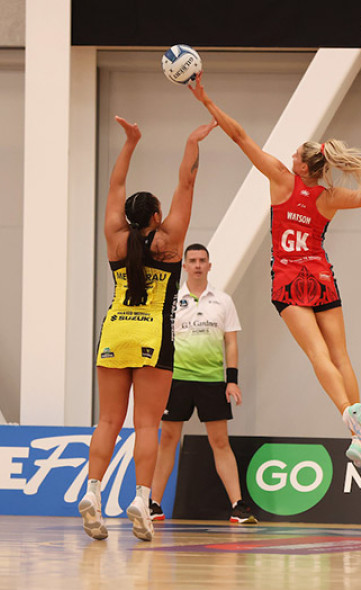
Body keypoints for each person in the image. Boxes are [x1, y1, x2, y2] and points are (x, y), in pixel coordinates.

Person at [188, 73, 361, 471]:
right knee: (341, 355)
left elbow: (241, 137)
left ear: (303, 165)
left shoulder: (282, 182)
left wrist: (206, 101)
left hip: (288, 280)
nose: (289, 159)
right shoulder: (330, 197)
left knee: (317, 353)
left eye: (294, 156)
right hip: (320, 277)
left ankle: (349, 419)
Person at [78, 116, 217, 542]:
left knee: (106, 421)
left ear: (127, 217)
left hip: (114, 331)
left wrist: (130, 143)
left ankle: (93, 492)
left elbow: (114, 189)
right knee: (145, 425)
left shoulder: (115, 238)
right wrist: (192, 141)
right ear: (157, 215)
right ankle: (141, 498)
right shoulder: (170, 240)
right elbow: (186, 186)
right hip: (152, 337)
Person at [149, 243, 256, 524]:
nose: (197, 265)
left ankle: (238, 506)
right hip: (176, 381)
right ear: (184, 265)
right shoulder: (172, 301)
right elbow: (161, 342)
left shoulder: (223, 301)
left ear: (210, 265)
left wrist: (231, 381)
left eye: (202, 260)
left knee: (220, 442)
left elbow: (231, 343)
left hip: (212, 382)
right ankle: (153, 504)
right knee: (168, 441)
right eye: (192, 260)